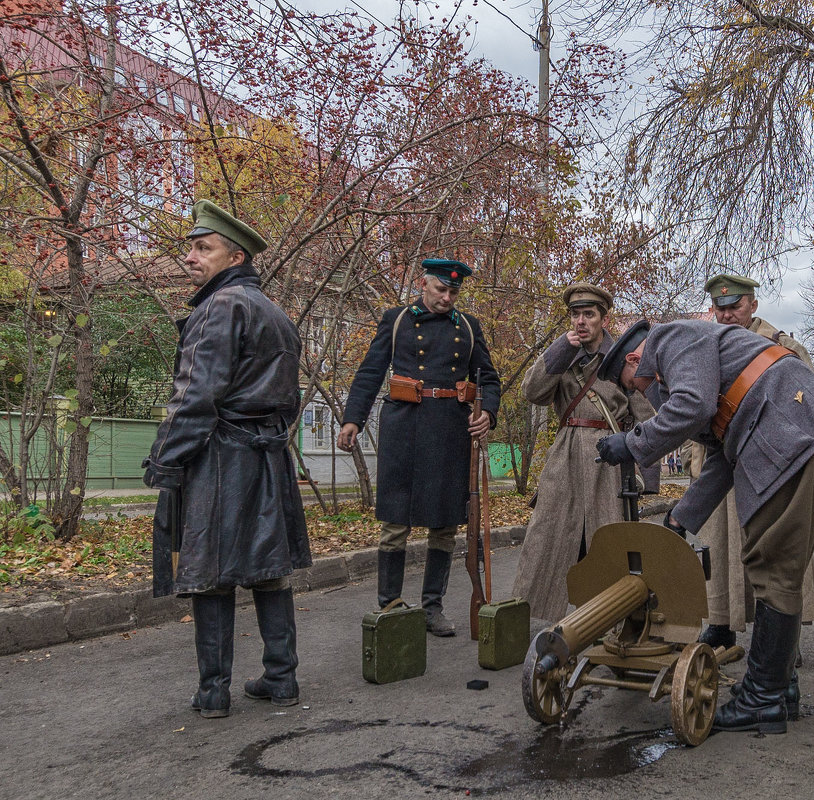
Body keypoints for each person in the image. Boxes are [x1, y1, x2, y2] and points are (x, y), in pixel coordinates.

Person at [595, 318, 814, 735]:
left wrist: (632, 443)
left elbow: (691, 407)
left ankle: (762, 699)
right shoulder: (696, 361)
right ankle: (778, 690)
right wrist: (681, 518)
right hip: (796, 429)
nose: (636, 392)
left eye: (629, 383)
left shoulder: (670, 339)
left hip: (789, 429)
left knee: (771, 567)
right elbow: (722, 453)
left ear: (634, 358)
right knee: (777, 565)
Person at [143, 200, 311, 718]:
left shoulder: (218, 307)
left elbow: (195, 394)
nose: (190, 257)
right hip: (267, 458)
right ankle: (282, 680)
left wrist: (165, 459)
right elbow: (289, 398)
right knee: (268, 568)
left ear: (234, 256)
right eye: (191, 247)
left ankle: (214, 692)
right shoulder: (276, 313)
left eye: (203, 248)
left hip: (221, 458)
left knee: (211, 571)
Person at [337, 258, 500, 636]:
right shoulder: (396, 320)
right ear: (422, 284)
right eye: (440, 289)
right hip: (404, 429)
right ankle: (390, 604)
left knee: (444, 523)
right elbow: (370, 371)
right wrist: (352, 420)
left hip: (449, 431)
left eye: (453, 292)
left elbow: (489, 378)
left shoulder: (468, 328)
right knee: (395, 521)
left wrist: (488, 413)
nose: (447, 297)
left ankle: (432, 608)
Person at [691, 274, 814, 652]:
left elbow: (807, 405)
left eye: (735, 307)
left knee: (776, 550)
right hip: (719, 468)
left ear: (753, 305)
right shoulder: (704, 348)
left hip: (770, 468)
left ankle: (783, 638)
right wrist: (692, 458)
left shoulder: (782, 348)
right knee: (718, 546)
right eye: (720, 309)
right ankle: (720, 624)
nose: (727, 315)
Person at [510, 283, 644, 620]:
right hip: (566, 455)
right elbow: (533, 393)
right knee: (547, 537)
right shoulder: (562, 355)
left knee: (607, 540)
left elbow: (645, 411)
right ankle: (532, 615)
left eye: (588, 314)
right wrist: (557, 352)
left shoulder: (620, 357)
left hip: (609, 458)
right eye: (575, 315)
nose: (580, 321)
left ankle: (612, 617)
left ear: (603, 318)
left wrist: (646, 468)